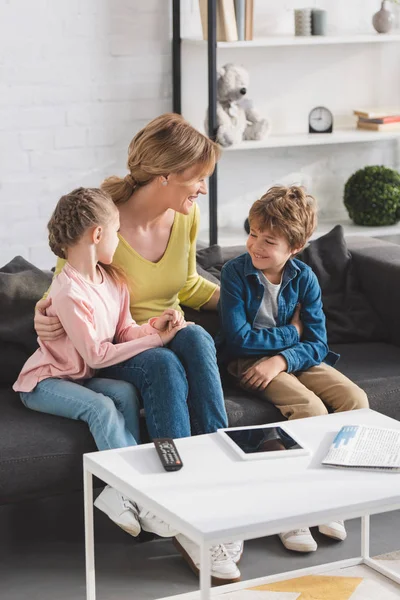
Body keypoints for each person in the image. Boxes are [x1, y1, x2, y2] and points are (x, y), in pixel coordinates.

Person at [33, 114, 241, 584]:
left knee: (196, 337)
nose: (203, 190)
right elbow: (64, 285)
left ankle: (222, 483)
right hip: (123, 344)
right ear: (165, 176)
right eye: (198, 179)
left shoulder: (185, 218)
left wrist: (244, 302)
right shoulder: (102, 221)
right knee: (164, 365)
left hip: (160, 328)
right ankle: (182, 503)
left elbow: (187, 283)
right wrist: (42, 315)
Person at [14, 186, 190, 539]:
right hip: (44, 382)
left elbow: (123, 331)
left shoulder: (112, 281)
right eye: (116, 232)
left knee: (124, 392)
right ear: (98, 234)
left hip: (77, 377)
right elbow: (97, 354)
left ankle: (117, 493)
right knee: (102, 409)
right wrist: (158, 342)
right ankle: (141, 496)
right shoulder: (68, 292)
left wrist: (152, 328)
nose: (120, 240)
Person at [217, 184, 369, 553]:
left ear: (294, 248)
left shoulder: (305, 279)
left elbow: (317, 344)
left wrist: (282, 357)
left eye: (268, 241)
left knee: (356, 399)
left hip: (292, 358)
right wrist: (291, 333)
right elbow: (237, 339)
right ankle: (294, 510)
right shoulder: (235, 274)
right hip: (247, 363)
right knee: (311, 409)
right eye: (252, 234)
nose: (255, 246)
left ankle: (332, 498)